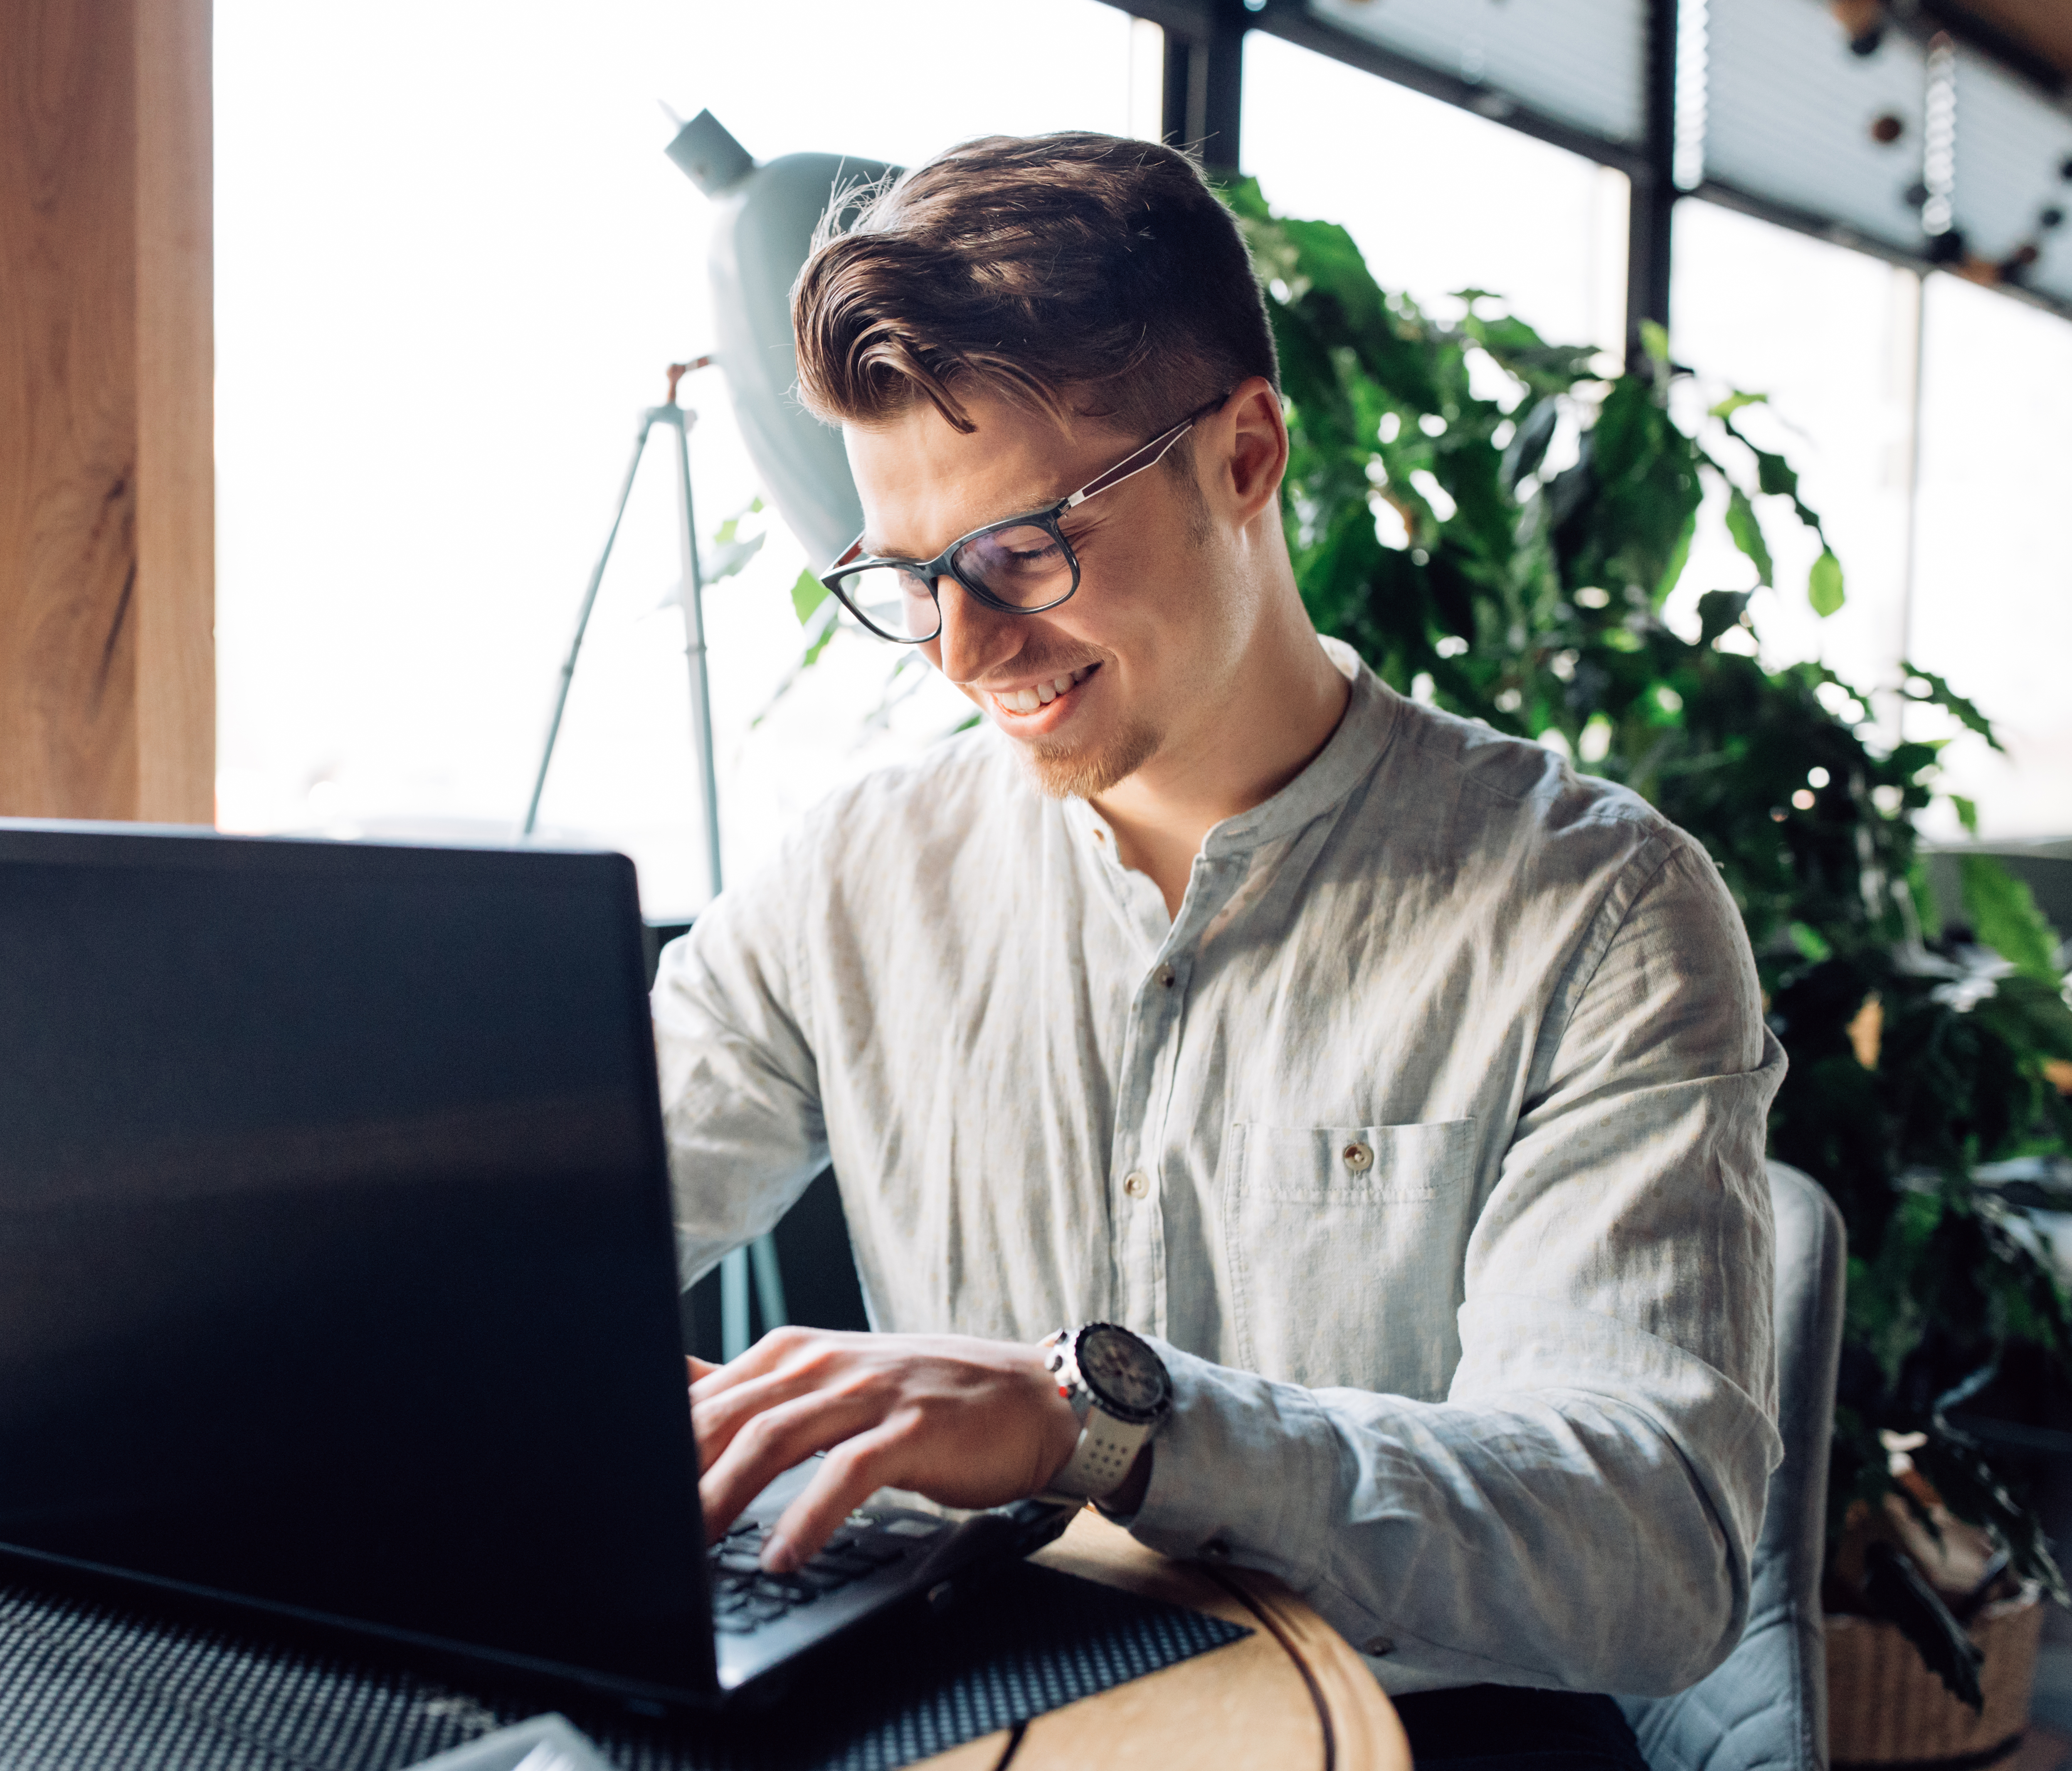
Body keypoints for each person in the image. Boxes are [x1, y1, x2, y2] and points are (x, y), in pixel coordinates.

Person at [652, 133, 1780, 1767]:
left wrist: (1095, 1423)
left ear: (1242, 456)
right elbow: (548, 1251)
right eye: (905, 579)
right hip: (977, 1719)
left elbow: (1642, 1546)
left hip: (1420, 1734)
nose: (963, 651)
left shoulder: (1591, 911)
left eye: (1022, 550)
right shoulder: (851, 873)